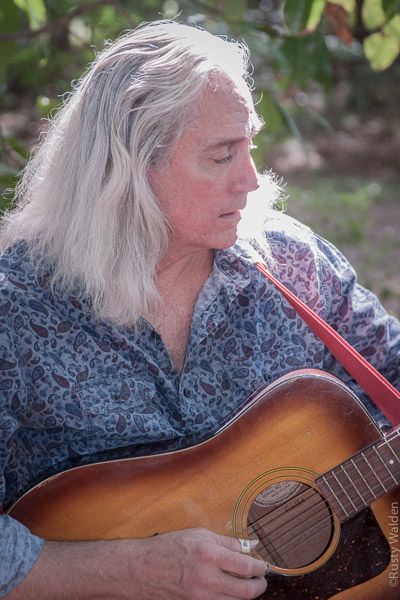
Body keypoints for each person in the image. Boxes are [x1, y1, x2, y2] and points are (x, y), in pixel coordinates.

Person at [0, 19, 399, 600]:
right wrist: (131, 571)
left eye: (249, 146)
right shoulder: (16, 311)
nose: (252, 179)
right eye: (222, 155)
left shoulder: (292, 264)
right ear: (129, 167)